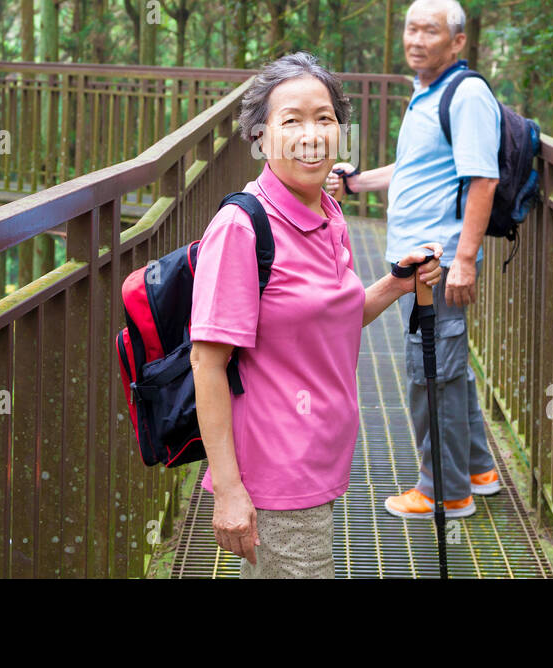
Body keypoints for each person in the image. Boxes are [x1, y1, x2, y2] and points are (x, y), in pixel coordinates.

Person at [190, 51, 444, 578]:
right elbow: (207, 362)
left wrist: (397, 284)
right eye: (292, 121)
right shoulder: (241, 228)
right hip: (277, 472)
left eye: (324, 118)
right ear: (261, 136)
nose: (311, 134)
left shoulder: (328, 212)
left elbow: (336, 315)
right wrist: (230, 491)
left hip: (323, 458)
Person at [326, 0, 502, 520]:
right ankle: (477, 470)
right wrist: (356, 183)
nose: (416, 40)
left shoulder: (466, 95)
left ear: (457, 41)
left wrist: (465, 259)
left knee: (432, 373)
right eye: (410, 29)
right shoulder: (428, 93)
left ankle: (444, 492)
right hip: (420, 261)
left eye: (430, 31)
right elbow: (412, 169)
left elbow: (483, 179)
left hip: (438, 263)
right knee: (450, 367)